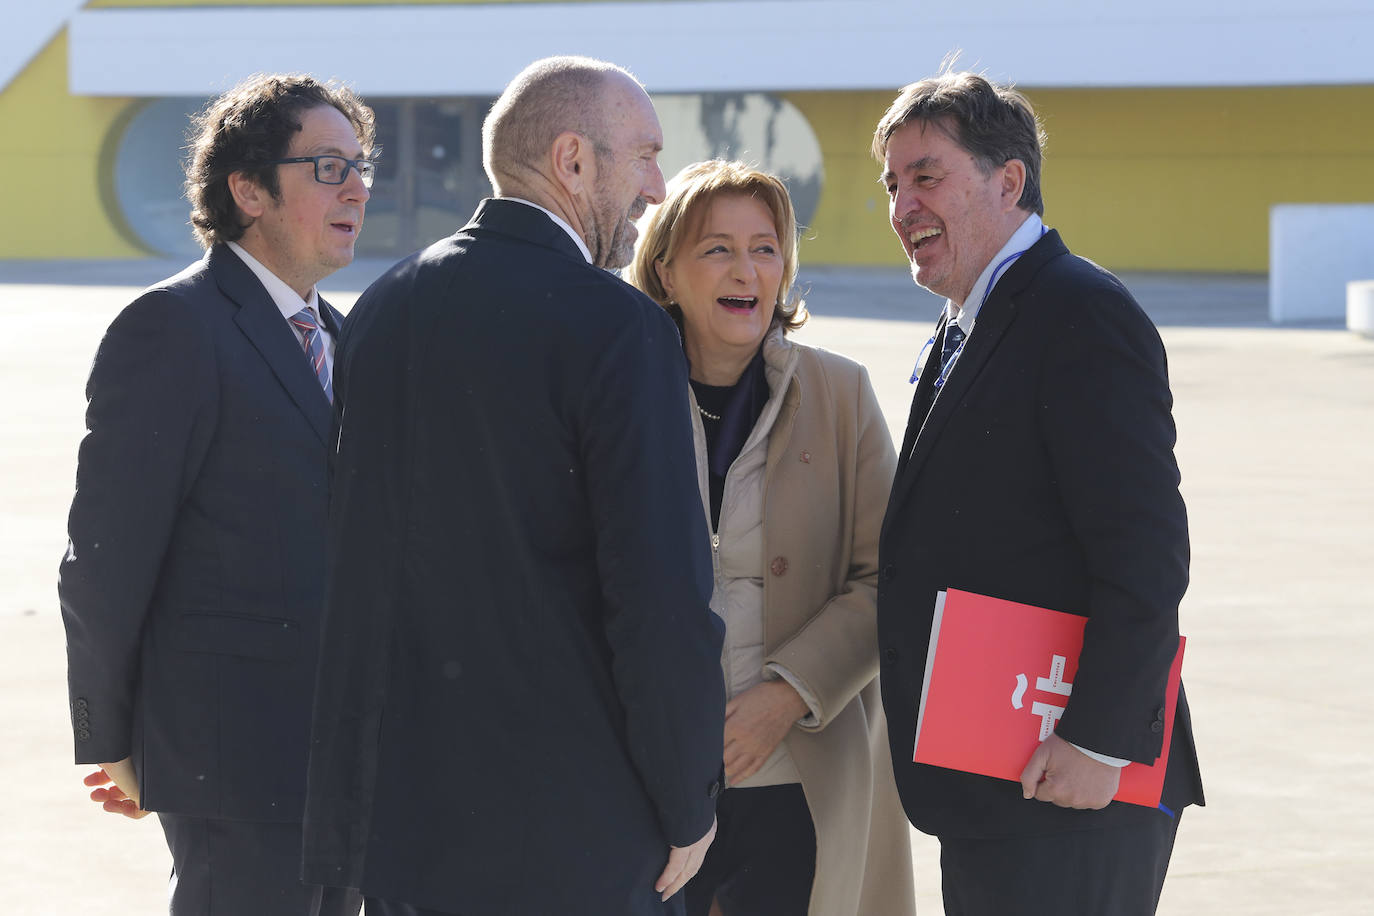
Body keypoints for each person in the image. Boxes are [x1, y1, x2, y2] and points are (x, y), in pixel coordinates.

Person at [301, 57, 726, 916]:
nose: (656, 187)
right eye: (643, 155)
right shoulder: (619, 326)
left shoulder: (382, 309)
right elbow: (659, 598)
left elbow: (356, 570)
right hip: (579, 832)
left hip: (407, 828)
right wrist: (689, 802)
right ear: (572, 160)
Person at [871, 70, 1205, 915]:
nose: (903, 206)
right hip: (996, 768)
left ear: (1008, 180)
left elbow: (1144, 553)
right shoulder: (965, 323)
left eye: (926, 176)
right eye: (891, 185)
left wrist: (1099, 740)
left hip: (1073, 777)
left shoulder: (1079, 312)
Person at [59, 73, 375, 915]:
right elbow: (105, 559)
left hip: (341, 756)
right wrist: (114, 739)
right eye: (328, 166)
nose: (357, 187)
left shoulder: (346, 339)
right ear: (248, 189)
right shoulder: (173, 328)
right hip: (232, 763)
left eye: (362, 166)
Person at [624, 159, 916, 916]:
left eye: (765, 247)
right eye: (716, 248)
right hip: (644, 781)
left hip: (800, 774)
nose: (746, 269)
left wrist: (786, 695)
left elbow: (893, 576)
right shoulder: (614, 395)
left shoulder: (840, 392)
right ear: (665, 269)